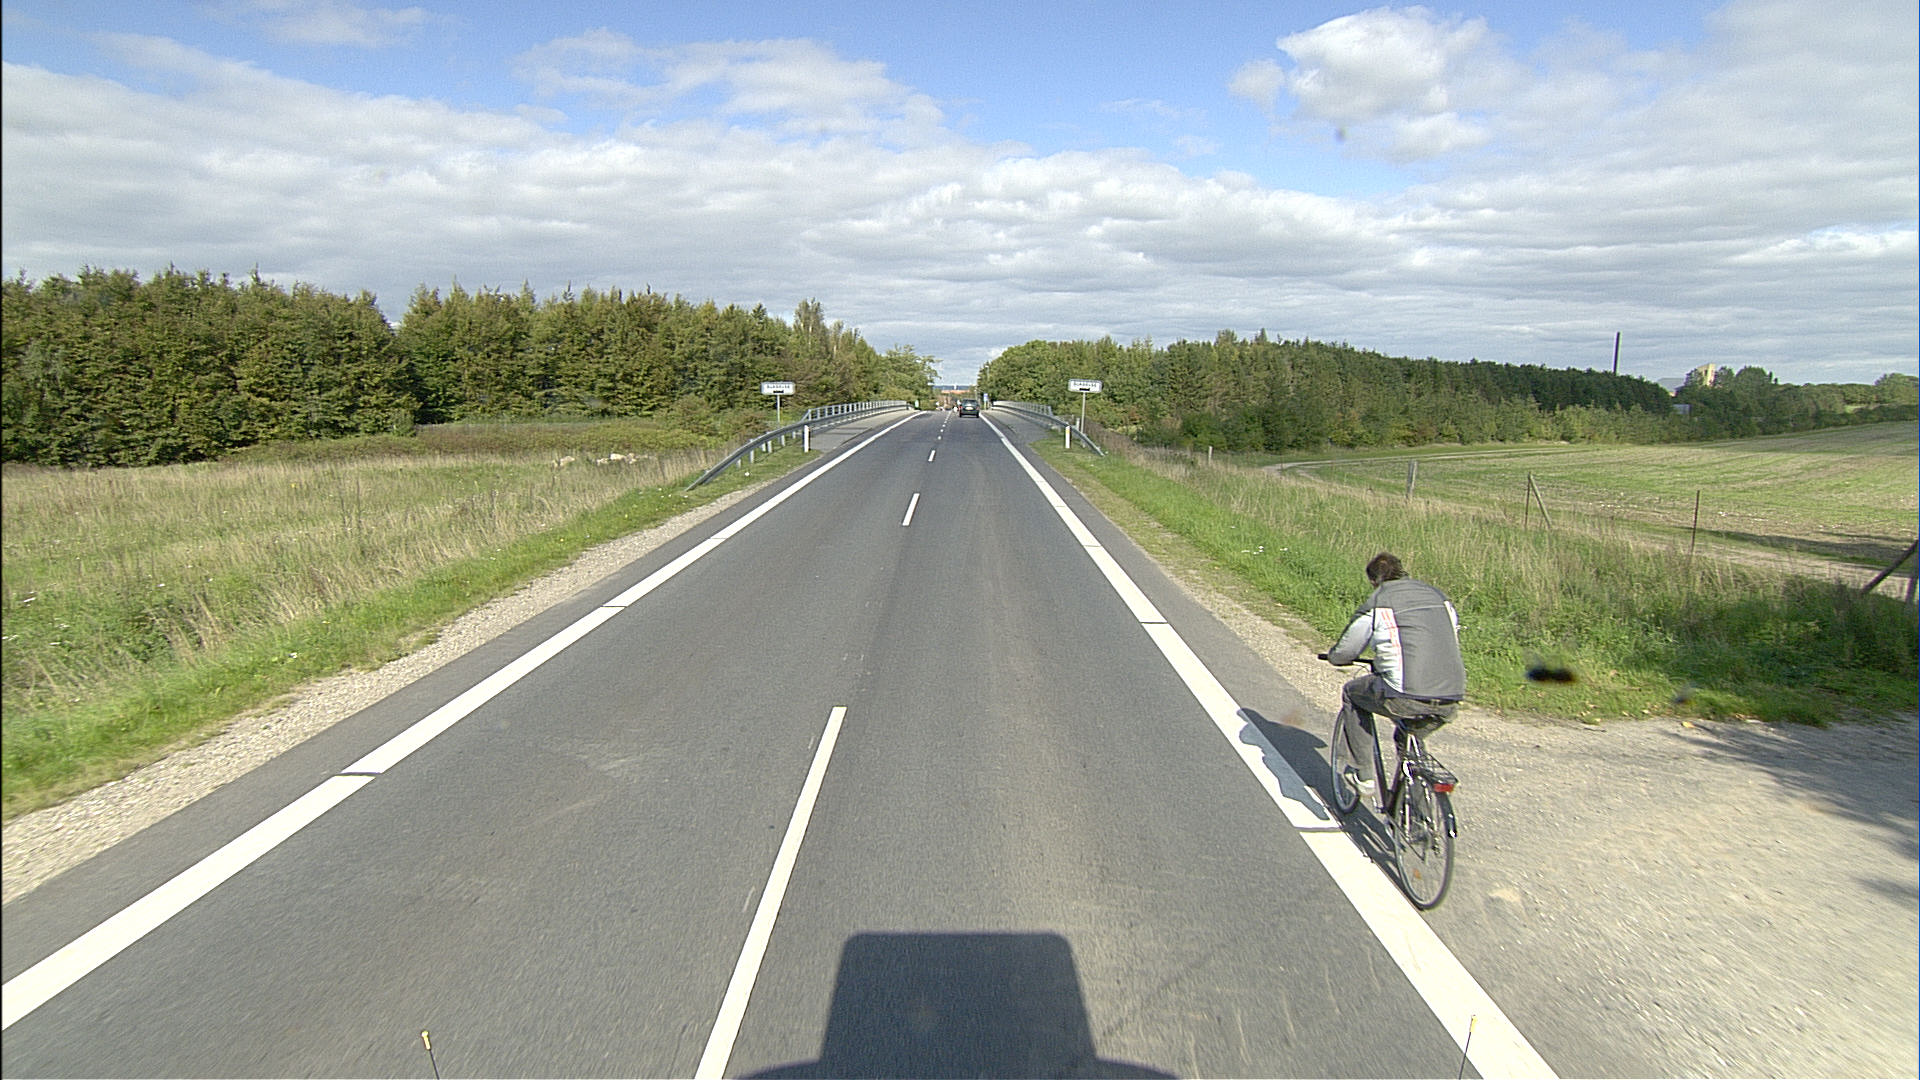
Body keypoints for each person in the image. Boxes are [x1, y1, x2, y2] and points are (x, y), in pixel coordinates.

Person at [1323, 552, 1465, 799]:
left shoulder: (1379, 601)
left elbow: (1346, 650)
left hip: (1403, 694)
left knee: (1353, 694)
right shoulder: (1438, 596)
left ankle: (1363, 775)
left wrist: (1336, 658)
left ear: (1373, 581)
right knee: (1409, 737)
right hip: (1451, 695)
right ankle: (1415, 806)